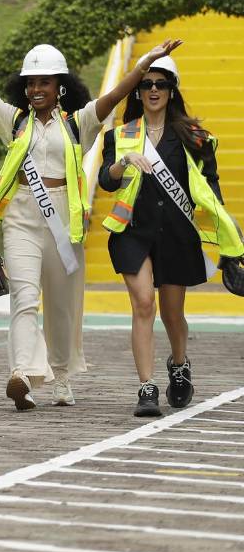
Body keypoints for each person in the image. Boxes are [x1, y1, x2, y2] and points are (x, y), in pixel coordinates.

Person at [0, 36, 181, 410]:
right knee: (24, 297)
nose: (35, 89)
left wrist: (144, 64)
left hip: (65, 217)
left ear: (59, 86)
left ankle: (61, 375)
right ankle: (21, 375)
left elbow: (114, 96)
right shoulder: (14, 120)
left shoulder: (79, 123)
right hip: (20, 213)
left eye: (44, 82)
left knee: (62, 306)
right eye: (30, 82)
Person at [99, 55, 242, 417]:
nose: (152, 90)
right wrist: (124, 162)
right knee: (144, 303)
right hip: (133, 231)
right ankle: (146, 389)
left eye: (160, 84)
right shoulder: (121, 135)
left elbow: (211, 188)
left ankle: (179, 365)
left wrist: (226, 235)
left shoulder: (194, 137)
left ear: (171, 89)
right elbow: (105, 179)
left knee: (172, 313)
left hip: (177, 233)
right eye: (146, 85)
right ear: (138, 91)